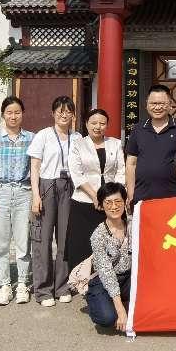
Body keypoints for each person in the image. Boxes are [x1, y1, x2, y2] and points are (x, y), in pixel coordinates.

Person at [27, 95, 83, 307]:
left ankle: (62, 286)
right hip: (47, 186)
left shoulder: (77, 137)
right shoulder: (43, 135)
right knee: (42, 239)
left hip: (69, 187)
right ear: (53, 113)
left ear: (73, 114)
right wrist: (35, 195)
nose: (64, 114)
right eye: (60, 111)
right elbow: (34, 167)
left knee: (65, 238)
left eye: (68, 111)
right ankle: (43, 290)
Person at [0, 96, 34, 306]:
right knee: (0, 244)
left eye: (17, 112)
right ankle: (4, 285)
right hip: (0, 193)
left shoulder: (31, 138)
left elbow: (35, 169)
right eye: (9, 113)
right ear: (3, 115)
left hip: (24, 192)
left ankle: (22, 284)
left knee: (23, 243)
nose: (13, 116)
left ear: (23, 114)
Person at [68, 108, 125, 269]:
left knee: (110, 242)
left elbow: (121, 170)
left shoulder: (115, 143)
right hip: (84, 200)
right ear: (86, 124)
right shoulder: (78, 144)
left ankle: (110, 276)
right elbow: (77, 173)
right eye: (93, 123)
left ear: (107, 125)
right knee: (83, 243)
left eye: (102, 123)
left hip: (111, 201)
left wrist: (115, 196)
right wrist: (95, 196)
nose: (98, 126)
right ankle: (82, 278)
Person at [86, 182, 132, 332]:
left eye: (118, 201)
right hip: (105, 280)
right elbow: (106, 273)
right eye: (108, 202)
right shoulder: (98, 235)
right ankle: (97, 299)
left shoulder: (133, 225)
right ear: (101, 205)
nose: (114, 207)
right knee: (107, 318)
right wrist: (120, 310)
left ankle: (124, 300)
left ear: (125, 202)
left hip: (129, 278)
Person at [125, 84, 176, 205]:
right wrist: (130, 193)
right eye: (153, 103)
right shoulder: (138, 129)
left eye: (162, 103)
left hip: (173, 196)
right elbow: (131, 163)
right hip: (142, 196)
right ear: (147, 105)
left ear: (170, 104)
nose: (157, 107)